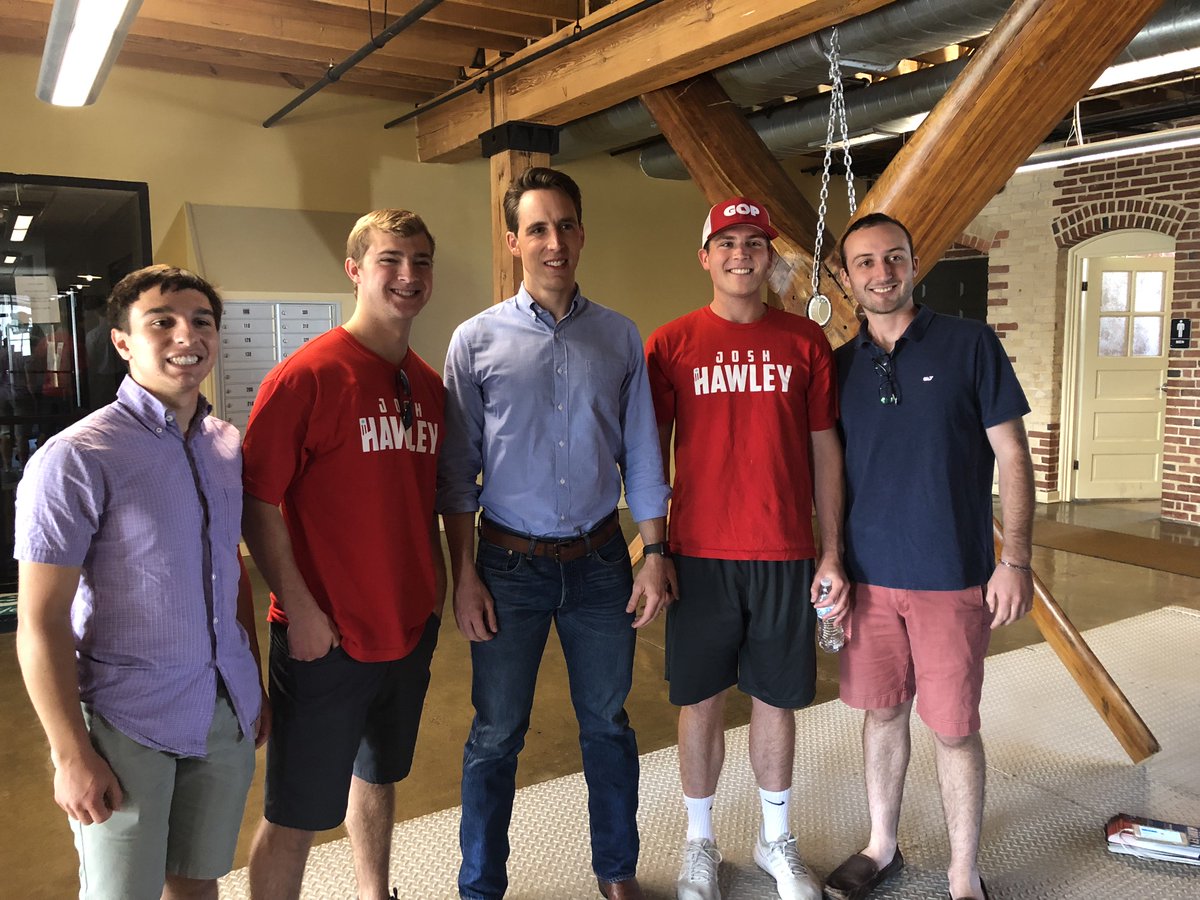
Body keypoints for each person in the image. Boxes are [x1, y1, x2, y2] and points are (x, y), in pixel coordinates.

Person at [438, 167, 674, 900]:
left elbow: (643, 453)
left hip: (602, 564)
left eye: (565, 225)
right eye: (537, 228)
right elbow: (456, 474)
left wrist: (654, 552)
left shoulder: (619, 336)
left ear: (581, 233)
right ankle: (481, 886)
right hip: (507, 567)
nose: (554, 242)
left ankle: (617, 872)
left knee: (607, 723)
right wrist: (463, 575)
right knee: (496, 733)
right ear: (513, 241)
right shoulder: (475, 341)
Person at [14, 264, 267, 900]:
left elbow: (230, 570)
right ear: (123, 342)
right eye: (162, 322)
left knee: (198, 882)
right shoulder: (76, 457)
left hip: (222, 709)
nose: (187, 335)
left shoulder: (225, 445)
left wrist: (252, 686)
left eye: (201, 321)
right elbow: (40, 622)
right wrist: (71, 754)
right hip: (125, 722)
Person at [824, 213, 1034, 900]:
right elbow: (829, 474)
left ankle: (962, 872)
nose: (881, 272)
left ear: (915, 264)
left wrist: (1016, 560)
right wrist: (830, 560)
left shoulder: (971, 344)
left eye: (894, 257)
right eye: (865, 262)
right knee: (882, 714)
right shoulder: (839, 366)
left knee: (953, 728)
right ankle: (880, 845)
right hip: (868, 582)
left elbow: (1013, 455)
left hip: (951, 577)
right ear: (846, 277)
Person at [644, 198, 846, 900]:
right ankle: (700, 842)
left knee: (776, 699)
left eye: (753, 243)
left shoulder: (805, 342)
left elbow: (825, 450)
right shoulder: (670, 344)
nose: (740, 254)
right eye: (726, 243)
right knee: (700, 700)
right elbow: (650, 455)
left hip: (784, 549)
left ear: (768, 257)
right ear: (705, 257)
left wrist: (830, 550)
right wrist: (655, 550)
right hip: (699, 552)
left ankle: (774, 838)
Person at [243, 209, 446, 900]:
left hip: (407, 628)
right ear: (355, 270)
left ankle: (374, 893)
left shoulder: (427, 385)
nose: (408, 275)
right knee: (295, 812)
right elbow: (256, 501)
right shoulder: (306, 377)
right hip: (323, 636)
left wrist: (433, 596)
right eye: (391, 259)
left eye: (420, 261)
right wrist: (300, 610)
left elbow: (422, 501)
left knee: (377, 775)